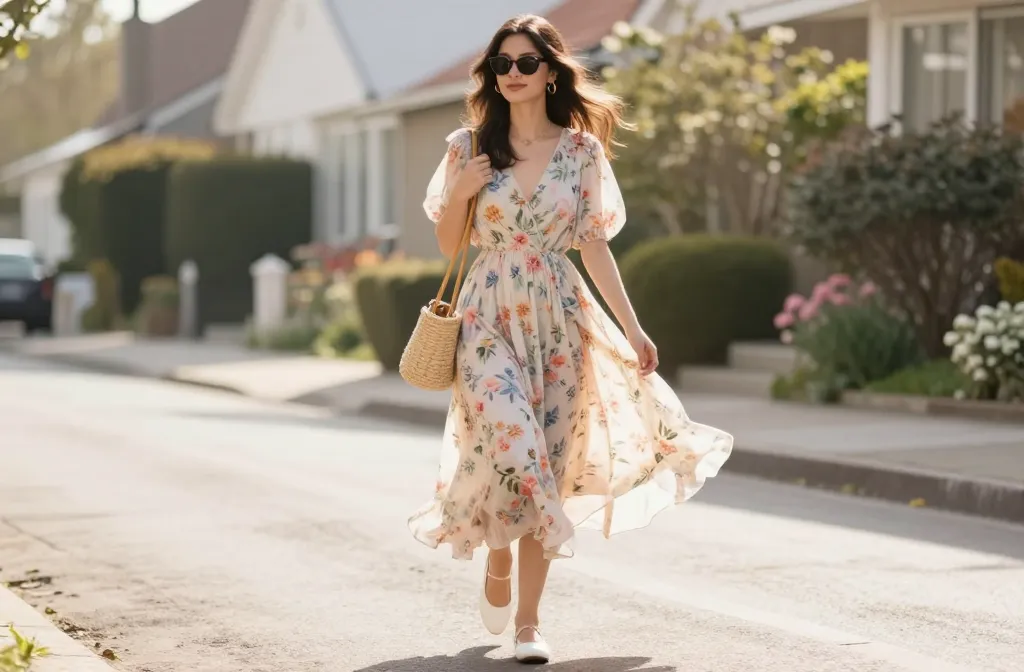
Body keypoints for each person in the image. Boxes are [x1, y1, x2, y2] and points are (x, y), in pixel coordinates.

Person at [408, 14, 733, 664]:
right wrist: (462, 192)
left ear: (551, 71)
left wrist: (634, 327)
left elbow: (593, 247)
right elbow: (450, 245)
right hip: (487, 317)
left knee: (549, 464)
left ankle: (529, 624)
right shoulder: (467, 146)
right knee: (513, 444)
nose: (513, 75)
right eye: (502, 64)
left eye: (527, 63)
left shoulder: (581, 151)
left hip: (560, 319)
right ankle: (497, 559)